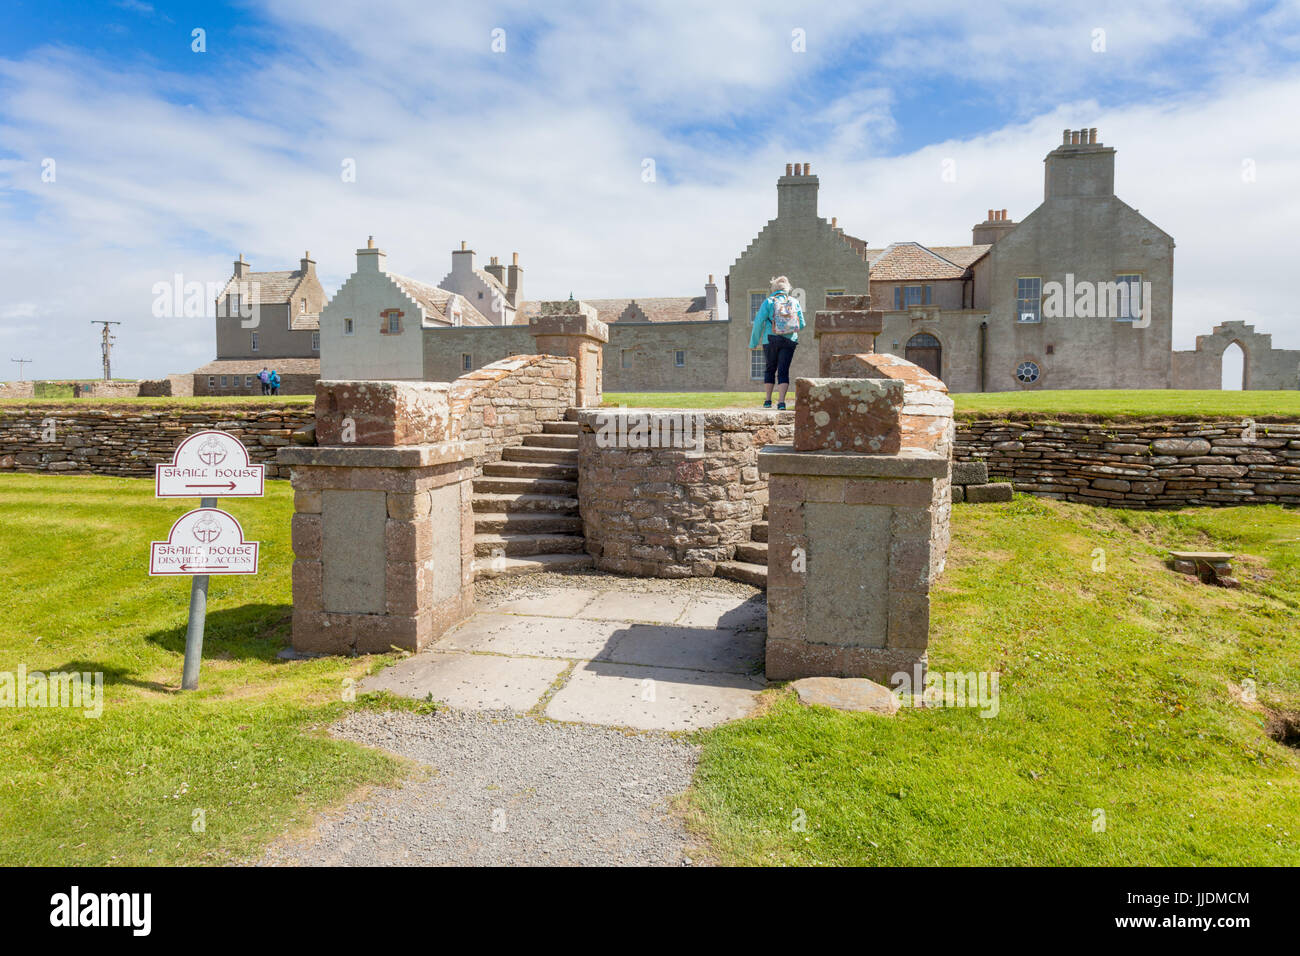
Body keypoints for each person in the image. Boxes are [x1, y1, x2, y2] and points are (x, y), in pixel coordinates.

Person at [748, 275, 805, 409]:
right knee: (783, 371)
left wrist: (753, 342)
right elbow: (801, 324)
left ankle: (768, 400)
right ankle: (781, 402)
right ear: (787, 289)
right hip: (789, 340)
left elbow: (758, 323)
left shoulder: (768, 302)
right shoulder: (794, 301)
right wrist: (788, 328)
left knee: (770, 369)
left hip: (770, 339)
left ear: (774, 288)